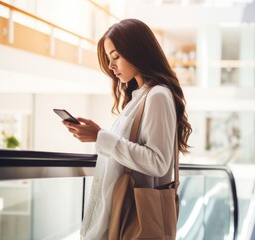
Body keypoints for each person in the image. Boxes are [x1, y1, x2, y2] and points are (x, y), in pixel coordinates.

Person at [62, 18, 192, 239]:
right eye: (109, 58)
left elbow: (158, 162)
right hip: (126, 210)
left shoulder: (157, 95)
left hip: (136, 213)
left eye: (116, 57)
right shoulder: (139, 97)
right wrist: (99, 136)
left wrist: (100, 137)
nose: (111, 66)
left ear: (138, 52)